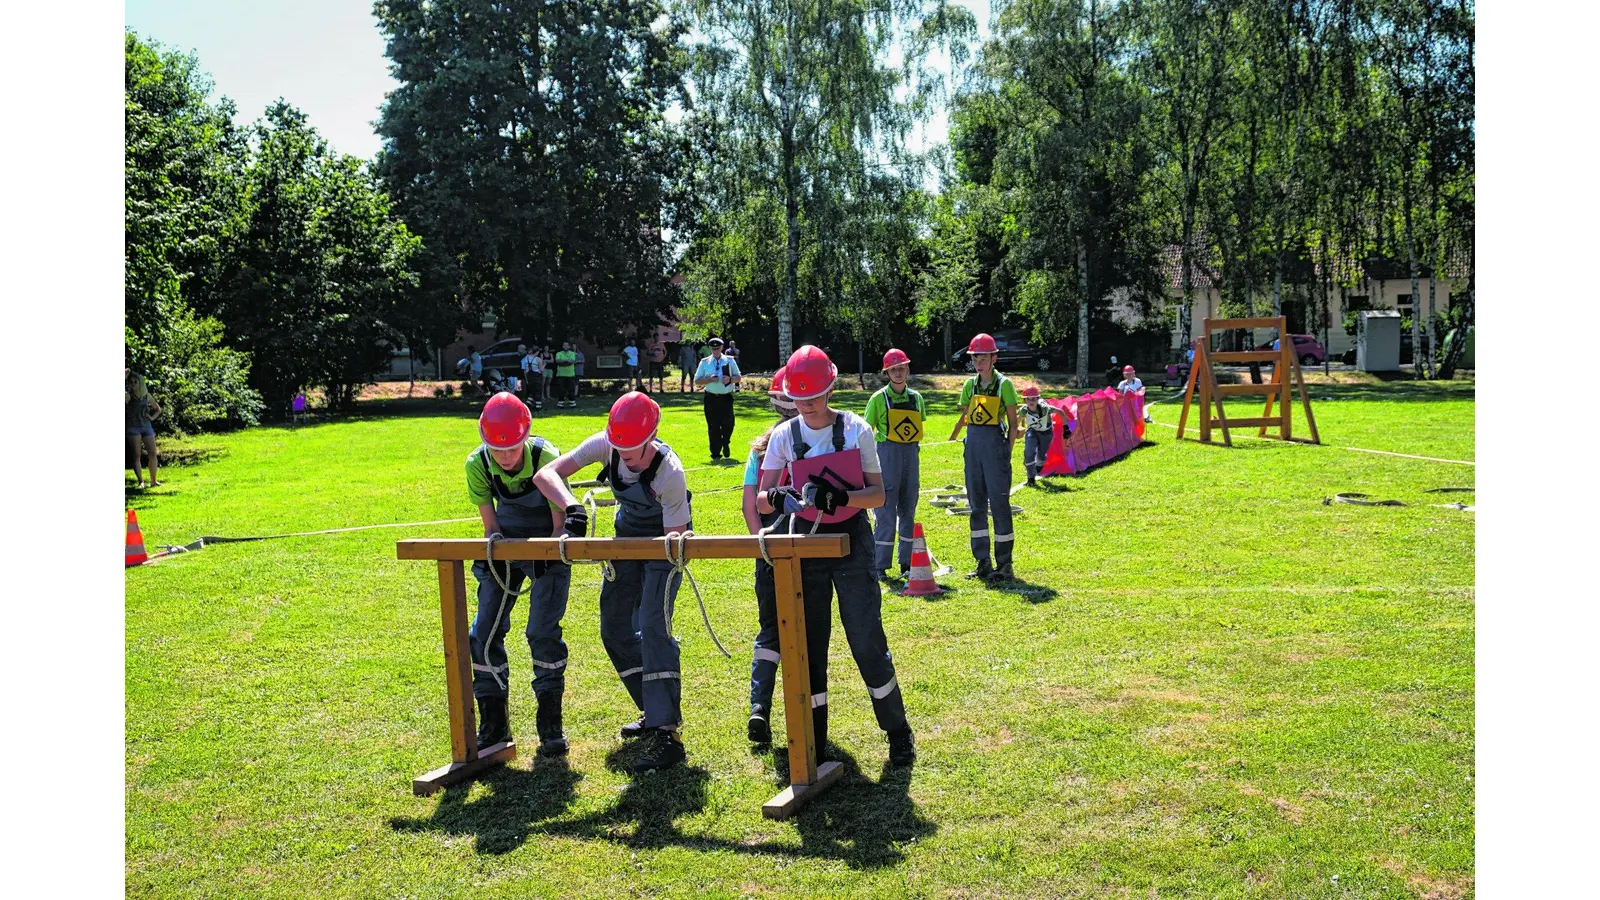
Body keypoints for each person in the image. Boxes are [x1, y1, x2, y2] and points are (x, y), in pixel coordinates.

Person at [756, 345, 916, 766]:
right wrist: (777, 495)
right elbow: (761, 499)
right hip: (803, 545)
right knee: (809, 643)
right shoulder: (783, 437)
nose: (804, 404)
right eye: (797, 397)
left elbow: (878, 494)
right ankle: (815, 737)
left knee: (866, 638)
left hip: (850, 543)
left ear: (831, 389)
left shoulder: (857, 429)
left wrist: (843, 496)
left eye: (813, 395)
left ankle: (897, 731)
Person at [534, 392, 694, 774]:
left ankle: (667, 734)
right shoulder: (606, 443)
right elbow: (547, 474)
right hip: (625, 539)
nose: (624, 457)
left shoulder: (670, 472)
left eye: (633, 450)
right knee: (614, 628)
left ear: (652, 438)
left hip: (667, 543)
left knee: (654, 625)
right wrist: (572, 506)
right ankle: (651, 711)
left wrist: (658, 552)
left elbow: (675, 539)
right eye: (619, 448)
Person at [464, 393, 575, 756]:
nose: (507, 457)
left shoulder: (546, 456)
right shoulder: (477, 463)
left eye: (513, 448)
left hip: (547, 547)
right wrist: (497, 547)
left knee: (542, 632)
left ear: (526, 438)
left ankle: (550, 727)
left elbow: (561, 526)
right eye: (499, 450)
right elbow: (490, 524)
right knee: (483, 633)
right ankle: (494, 728)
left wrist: (552, 549)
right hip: (506, 547)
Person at [741, 365, 799, 744]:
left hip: (768, 550)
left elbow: (751, 506)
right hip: (806, 549)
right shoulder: (810, 443)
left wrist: (760, 545)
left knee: (769, 631)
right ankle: (806, 710)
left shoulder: (758, 449)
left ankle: (759, 706)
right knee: (804, 630)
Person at [947, 333, 1020, 581]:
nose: (979, 362)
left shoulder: (1005, 385)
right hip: (974, 450)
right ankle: (982, 561)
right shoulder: (969, 386)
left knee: (999, 506)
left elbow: (1012, 424)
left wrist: (1006, 454)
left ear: (994, 358)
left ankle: (1005, 563)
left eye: (984, 357)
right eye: (975, 357)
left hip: (995, 450)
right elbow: (967, 418)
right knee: (976, 506)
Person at [862, 348, 927, 582]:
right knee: (885, 511)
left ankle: (906, 562)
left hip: (911, 455)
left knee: (908, 509)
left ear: (908, 369)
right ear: (886, 372)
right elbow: (866, 430)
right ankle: (880, 565)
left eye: (902, 368)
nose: (898, 373)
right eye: (893, 369)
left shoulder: (917, 398)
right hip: (887, 455)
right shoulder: (878, 399)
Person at [694, 337, 742, 461]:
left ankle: (725, 442)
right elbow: (697, 381)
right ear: (710, 348)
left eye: (717, 348)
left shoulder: (729, 360)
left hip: (726, 397)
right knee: (713, 426)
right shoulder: (705, 362)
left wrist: (730, 379)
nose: (715, 351)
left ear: (722, 347)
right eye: (713, 348)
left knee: (729, 424)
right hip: (710, 398)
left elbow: (738, 377)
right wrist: (709, 379)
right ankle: (715, 453)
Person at [126, 368, 163, 488]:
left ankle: (153, 481)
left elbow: (158, 409)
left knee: (153, 453)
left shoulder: (146, 396)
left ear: (140, 383)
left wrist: (152, 418)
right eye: (131, 382)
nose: (133, 384)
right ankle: (141, 482)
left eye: (135, 382)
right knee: (136, 455)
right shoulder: (128, 396)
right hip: (133, 428)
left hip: (146, 426)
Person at [1020, 385, 1059, 488]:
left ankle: (1039, 465)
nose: (1031, 402)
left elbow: (1060, 411)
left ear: (1037, 399)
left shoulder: (1045, 408)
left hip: (1046, 432)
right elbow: (1016, 422)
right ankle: (1031, 478)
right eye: (1028, 399)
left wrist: (1066, 427)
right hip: (1032, 431)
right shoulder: (1024, 410)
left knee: (1041, 455)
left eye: (1033, 399)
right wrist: (1014, 430)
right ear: (1025, 401)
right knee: (1029, 453)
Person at [554, 342, 578, 409]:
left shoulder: (572, 353)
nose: (565, 346)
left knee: (571, 389)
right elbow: (557, 361)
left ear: (569, 346)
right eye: (564, 345)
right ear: (562, 346)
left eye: (567, 345)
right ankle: (560, 404)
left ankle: (572, 403)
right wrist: (567, 360)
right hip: (560, 374)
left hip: (570, 375)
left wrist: (563, 362)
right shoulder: (559, 353)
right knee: (561, 390)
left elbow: (572, 361)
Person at [522, 344, 544, 411]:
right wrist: (544, 364)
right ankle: (538, 407)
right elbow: (541, 370)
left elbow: (525, 371)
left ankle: (528, 404)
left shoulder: (525, 359)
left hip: (529, 377)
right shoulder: (538, 359)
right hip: (537, 377)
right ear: (537, 352)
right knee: (538, 391)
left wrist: (526, 379)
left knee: (532, 391)